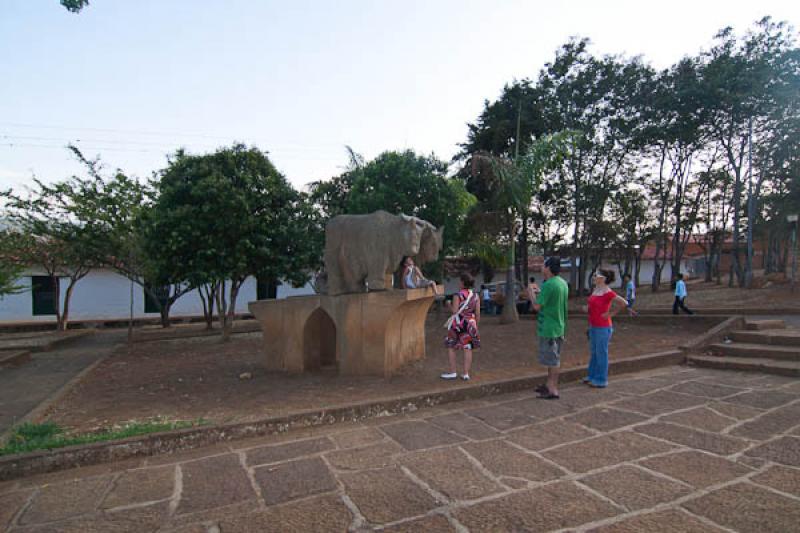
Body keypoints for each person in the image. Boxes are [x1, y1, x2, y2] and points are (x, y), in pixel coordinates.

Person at [582, 268, 628, 388]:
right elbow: (593, 305)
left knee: (601, 353)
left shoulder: (608, 292)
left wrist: (611, 314)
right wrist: (587, 309)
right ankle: (592, 376)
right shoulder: (595, 290)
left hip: (603, 327)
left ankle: (601, 379)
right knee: (594, 352)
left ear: (603, 279)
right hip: (593, 325)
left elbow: (624, 303)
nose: (594, 277)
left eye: (596, 275)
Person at [530, 257, 569, 399]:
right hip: (559, 325)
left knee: (553, 360)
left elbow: (536, 306)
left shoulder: (549, 285)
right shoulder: (562, 283)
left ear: (548, 268)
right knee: (553, 357)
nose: (541, 268)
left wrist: (531, 293)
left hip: (549, 327)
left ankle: (553, 389)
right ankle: (548, 384)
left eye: (543, 266)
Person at [443, 273, 480, 381]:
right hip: (471, 323)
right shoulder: (476, 296)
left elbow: (455, 311)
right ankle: (466, 373)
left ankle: (453, 372)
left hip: (458, 323)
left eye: (460, 281)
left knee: (451, 346)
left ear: (463, 282)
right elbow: (477, 313)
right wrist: (475, 325)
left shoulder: (457, 295)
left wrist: (448, 305)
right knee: (468, 348)